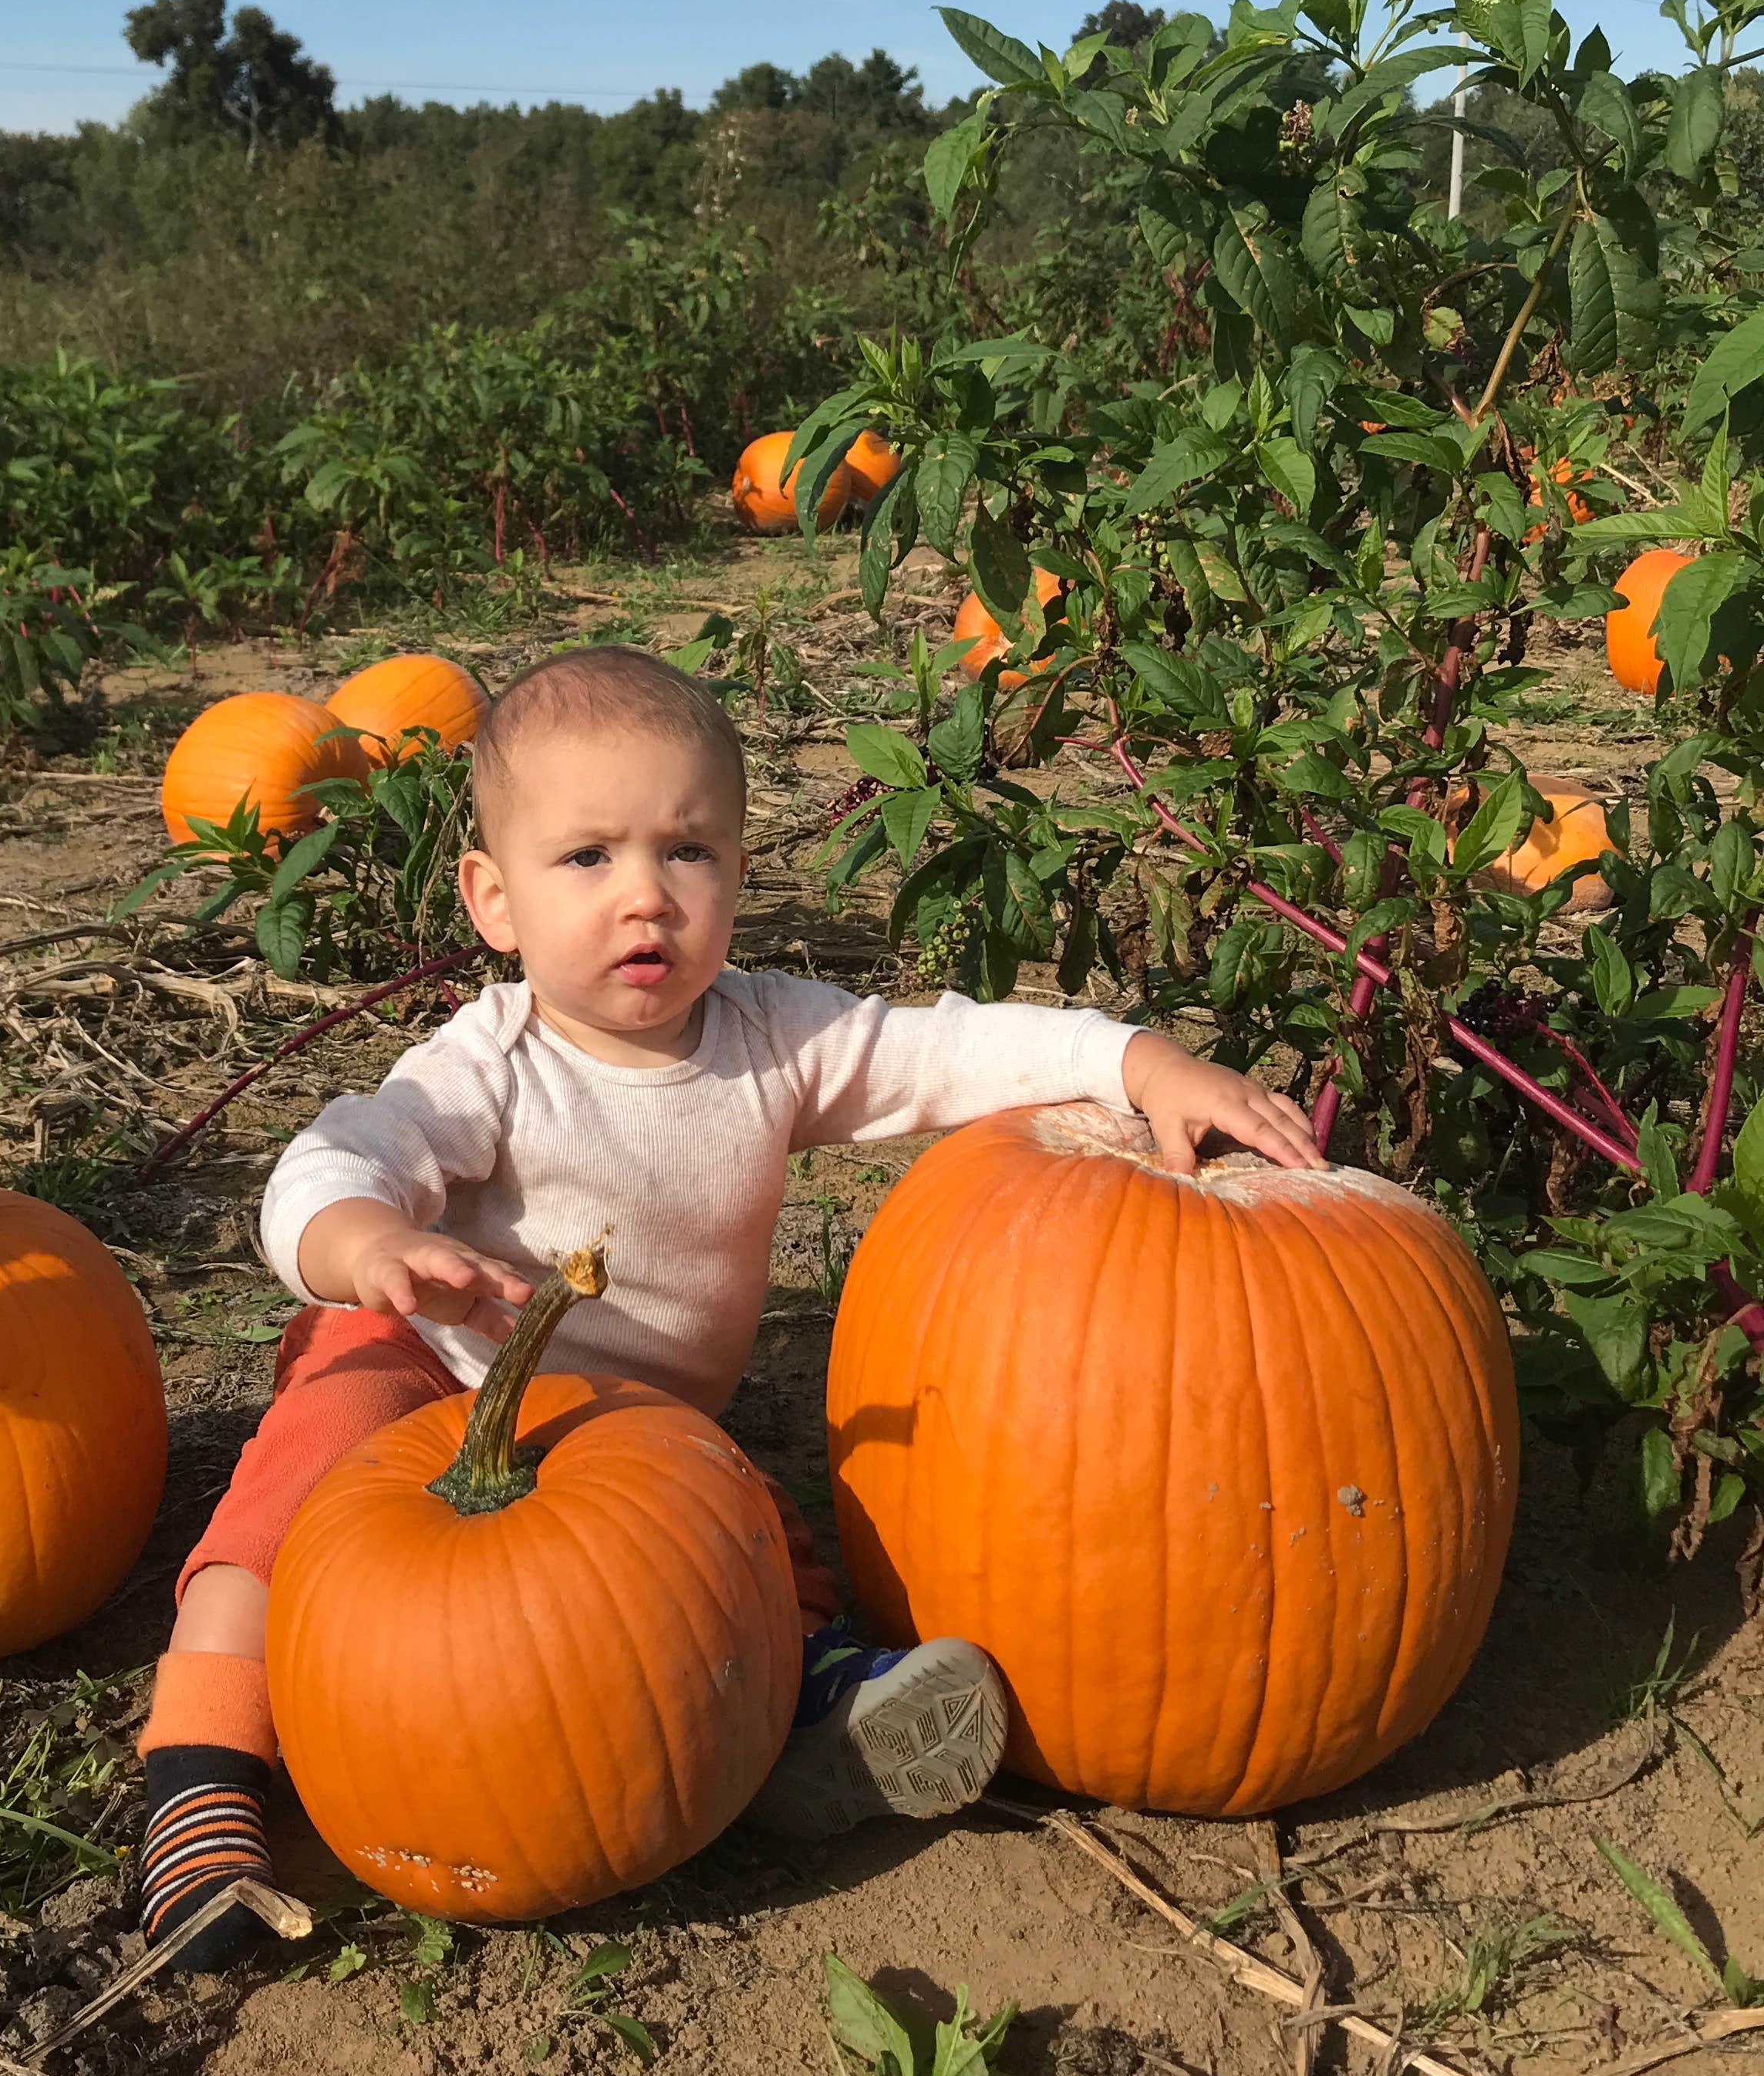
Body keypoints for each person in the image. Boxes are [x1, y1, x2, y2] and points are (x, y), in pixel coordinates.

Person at [138, 647, 1320, 1966]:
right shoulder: (488, 1064)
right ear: (495, 900)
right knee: (301, 1464)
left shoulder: (774, 1040)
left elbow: (949, 1050)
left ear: (739, 872)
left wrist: (1137, 1058)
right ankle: (203, 1776)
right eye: (586, 858)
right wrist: (366, 1247)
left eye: (687, 852)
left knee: (759, 1545)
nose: (645, 895)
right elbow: (336, 1159)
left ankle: (814, 1714)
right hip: (436, 1369)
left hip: (628, 1440)